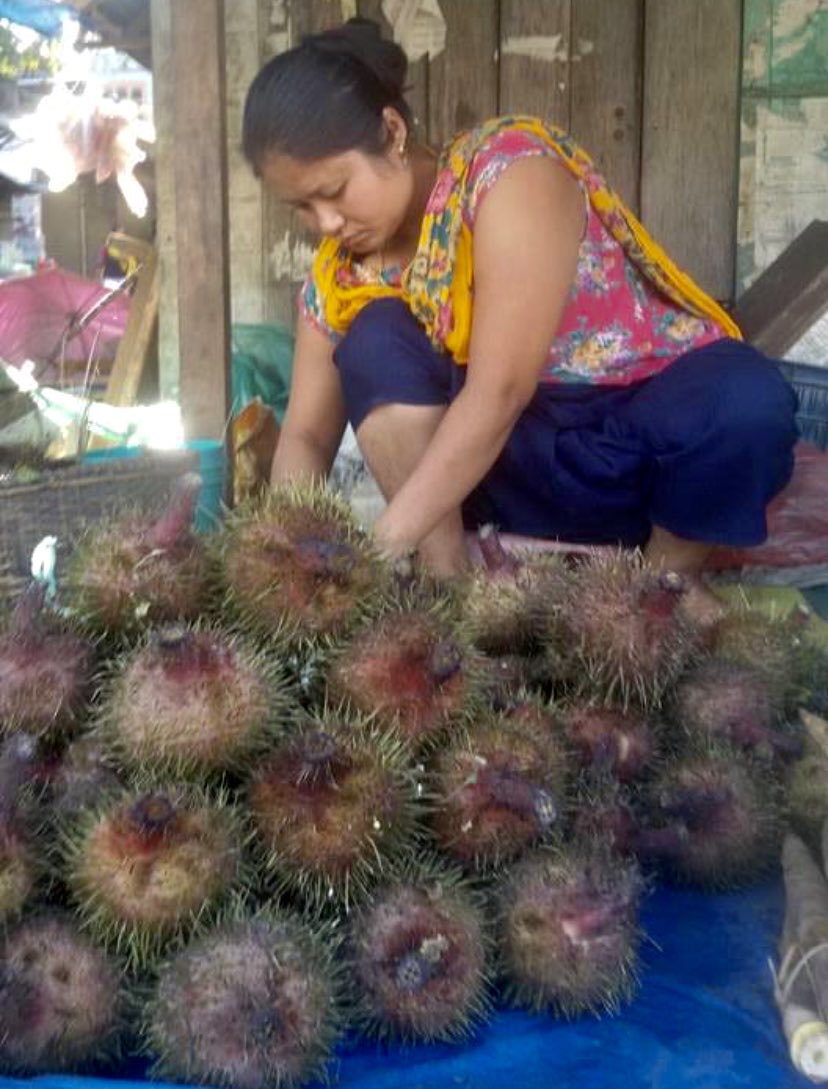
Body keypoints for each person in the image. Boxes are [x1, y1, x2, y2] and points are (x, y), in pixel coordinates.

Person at [241, 18, 798, 579]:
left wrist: (374, 552)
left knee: (742, 401)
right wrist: (291, 561)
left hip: (627, 451)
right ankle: (445, 582)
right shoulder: (338, 277)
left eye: (334, 191)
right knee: (374, 340)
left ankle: (661, 588)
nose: (327, 222)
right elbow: (308, 436)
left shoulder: (507, 174)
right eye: (303, 208)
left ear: (392, 131)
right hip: (504, 475)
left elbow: (500, 391)